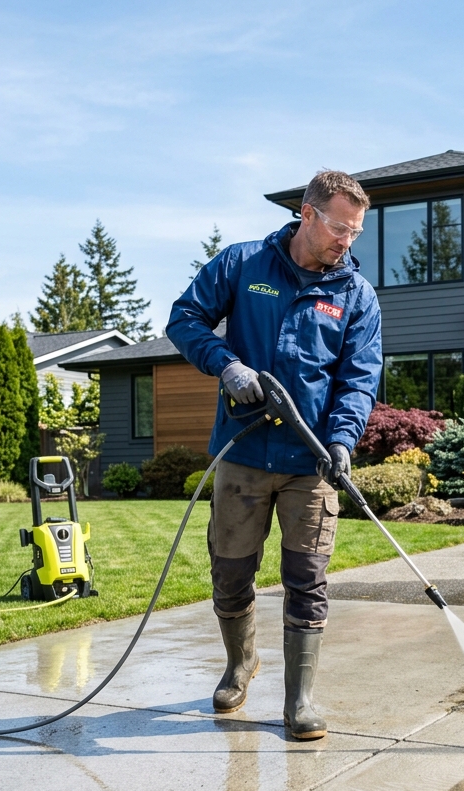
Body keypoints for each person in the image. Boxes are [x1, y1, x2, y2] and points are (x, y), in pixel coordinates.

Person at [167, 170, 382, 740]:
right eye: (339, 228)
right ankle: (241, 664)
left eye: (355, 233)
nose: (346, 241)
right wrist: (226, 364)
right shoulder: (242, 265)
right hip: (242, 451)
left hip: (309, 462)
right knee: (230, 573)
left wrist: (341, 440)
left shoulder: (355, 295)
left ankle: (299, 700)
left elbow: (359, 379)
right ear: (307, 214)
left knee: (307, 578)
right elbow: (184, 319)